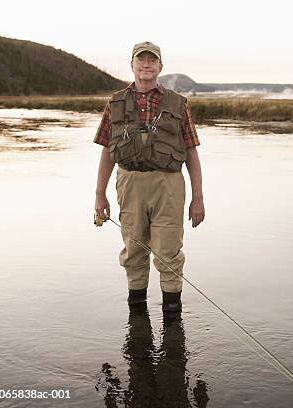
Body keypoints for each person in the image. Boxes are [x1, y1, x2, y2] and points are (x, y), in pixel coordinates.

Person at [93, 41, 204, 313]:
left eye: (152, 60)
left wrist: (198, 199)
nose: (146, 64)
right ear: (132, 65)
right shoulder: (115, 103)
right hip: (129, 184)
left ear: (160, 67)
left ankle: (172, 318)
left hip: (169, 186)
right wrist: (99, 194)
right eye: (141, 60)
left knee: (168, 253)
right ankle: (137, 315)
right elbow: (107, 151)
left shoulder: (178, 104)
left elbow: (191, 153)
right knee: (134, 251)